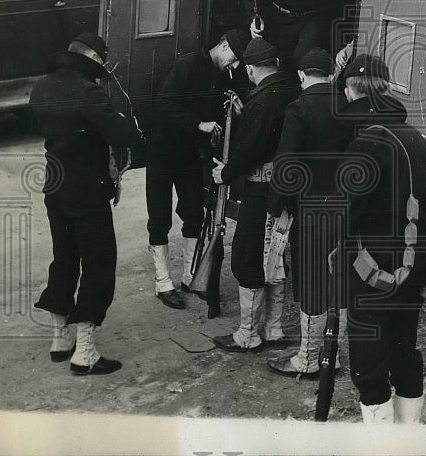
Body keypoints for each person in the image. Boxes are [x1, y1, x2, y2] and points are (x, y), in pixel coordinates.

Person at [29, 32, 140, 375]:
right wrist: (129, 126)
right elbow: (122, 135)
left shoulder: (42, 86)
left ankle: (60, 341)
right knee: (98, 263)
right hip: (88, 193)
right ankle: (86, 353)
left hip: (56, 188)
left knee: (64, 259)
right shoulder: (88, 91)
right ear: (94, 60)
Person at [336, 54, 426, 424]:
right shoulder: (415, 140)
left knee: (369, 364)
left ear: (350, 92)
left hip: (371, 274)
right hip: (410, 269)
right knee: (405, 351)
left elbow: (345, 217)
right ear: (388, 89)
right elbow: (423, 209)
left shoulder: (363, 145)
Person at [144, 28, 248, 309]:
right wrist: (197, 124)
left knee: (193, 212)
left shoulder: (219, 74)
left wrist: (232, 113)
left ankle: (190, 277)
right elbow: (163, 103)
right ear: (224, 46)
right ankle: (163, 283)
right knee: (160, 218)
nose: (235, 66)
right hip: (162, 152)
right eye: (235, 59)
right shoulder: (188, 65)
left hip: (189, 154)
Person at [266, 47, 353, 379]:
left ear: (302, 76)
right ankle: (335, 356)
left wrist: (277, 208)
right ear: (330, 74)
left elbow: (286, 169)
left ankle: (308, 358)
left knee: (312, 284)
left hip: (312, 212)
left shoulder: (299, 110)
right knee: (340, 285)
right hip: (345, 210)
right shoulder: (348, 106)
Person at [210, 37, 301, 351]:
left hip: (259, 190)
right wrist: (244, 112)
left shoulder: (262, 102)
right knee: (274, 258)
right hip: (285, 191)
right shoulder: (288, 90)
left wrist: (225, 171)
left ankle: (248, 335)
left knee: (248, 258)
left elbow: (250, 148)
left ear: (249, 69)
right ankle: (273, 330)